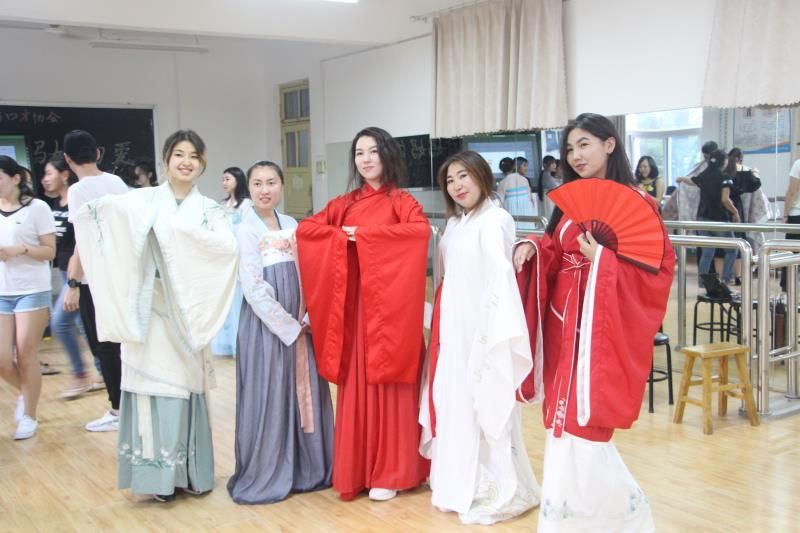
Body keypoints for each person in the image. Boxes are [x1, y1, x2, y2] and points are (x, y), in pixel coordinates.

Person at [513, 113, 674, 532]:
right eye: (570, 148)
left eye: (584, 144)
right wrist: (533, 247)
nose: (575, 155)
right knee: (561, 422)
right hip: (563, 321)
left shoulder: (638, 203)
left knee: (584, 424)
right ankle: (576, 519)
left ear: (609, 144)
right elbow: (553, 248)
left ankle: (621, 518)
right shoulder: (570, 205)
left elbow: (656, 272)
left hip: (599, 328)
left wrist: (601, 259)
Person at [72, 129, 238, 502]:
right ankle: (158, 480)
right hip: (147, 311)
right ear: (166, 159)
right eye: (179, 154)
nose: (186, 162)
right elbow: (100, 219)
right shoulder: (142, 201)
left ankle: (190, 472)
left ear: (202, 163)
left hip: (187, 314)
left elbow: (225, 249)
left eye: (193, 156)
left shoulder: (209, 210)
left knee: (184, 390)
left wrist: (172, 234)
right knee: (154, 391)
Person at [295, 126, 430, 501]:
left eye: (373, 151)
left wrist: (366, 237)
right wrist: (342, 237)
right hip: (356, 310)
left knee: (392, 384)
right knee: (359, 385)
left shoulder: (401, 201)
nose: (366, 159)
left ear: (387, 155)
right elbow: (308, 230)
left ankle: (393, 470)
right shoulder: (344, 204)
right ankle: (358, 470)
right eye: (359, 153)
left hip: (391, 313)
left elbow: (419, 233)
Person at [419, 150, 540, 524]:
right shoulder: (456, 225)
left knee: (483, 403)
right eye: (450, 180)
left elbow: (499, 277)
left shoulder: (496, 219)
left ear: (481, 176)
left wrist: (488, 334)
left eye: (463, 176)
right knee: (454, 402)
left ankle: (494, 485)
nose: (457, 186)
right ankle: (459, 484)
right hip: (454, 329)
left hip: (482, 329)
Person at [227, 160, 333, 504]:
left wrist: (309, 316)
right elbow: (252, 287)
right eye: (257, 183)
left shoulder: (292, 224)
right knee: (271, 392)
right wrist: (288, 325)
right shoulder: (245, 230)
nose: (265, 190)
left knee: (304, 391)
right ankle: (270, 469)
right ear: (249, 188)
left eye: (271, 182)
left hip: (302, 323)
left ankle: (307, 468)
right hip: (268, 328)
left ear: (282, 185)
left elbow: (311, 272)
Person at [63, 130, 129, 432]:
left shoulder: (78, 190)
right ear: (98, 153)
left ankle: (118, 410)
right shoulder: (116, 182)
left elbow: (82, 240)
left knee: (105, 346)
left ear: (68, 160)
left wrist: (73, 283)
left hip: (96, 279)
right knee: (123, 344)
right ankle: (129, 405)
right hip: (122, 273)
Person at [0, 155, 56, 440]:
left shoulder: (37, 208)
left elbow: (49, 251)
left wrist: (20, 249)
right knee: (2, 360)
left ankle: (29, 416)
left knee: (25, 353)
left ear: (15, 178)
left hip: (32, 289)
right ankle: (26, 391)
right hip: (2, 290)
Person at [41, 151, 95, 399]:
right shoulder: (55, 204)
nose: (45, 179)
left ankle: (81, 375)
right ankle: (101, 373)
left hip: (77, 274)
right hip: (63, 272)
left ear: (65, 174)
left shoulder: (75, 199)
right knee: (84, 326)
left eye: (49, 173)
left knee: (60, 324)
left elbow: (81, 242)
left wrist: (74, 280)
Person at [677, 149, 739, 285]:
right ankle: (725, 279)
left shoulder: (705, 175)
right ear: (724, 161)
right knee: (732, 250)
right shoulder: (725, 177)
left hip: (702, 218)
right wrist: (735, 212)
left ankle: (702, 281)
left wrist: (681, 178)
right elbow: (725, 199)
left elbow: (692, 181)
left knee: (707, 251)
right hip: (719, 219)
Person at [211, 167, 251, 356]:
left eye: (228, 179)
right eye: (223, 179)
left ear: (238, 180)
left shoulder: (247, 205)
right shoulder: (222, 205)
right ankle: (227, 342)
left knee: (239, 300)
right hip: (225, 257)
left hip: (240, 256)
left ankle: (242, 342)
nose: (224, 183)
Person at [725, 148, 761, 285]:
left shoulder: (723, 172)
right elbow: (755, 185)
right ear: (740, 159)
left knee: (723, 244)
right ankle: (738, 276)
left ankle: (724, 277)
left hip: (722, 209)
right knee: (739, 241)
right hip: (736, 208)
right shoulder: (745, 172)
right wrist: (756, 173)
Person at [497, 155, 537, 231]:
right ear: (513, 167)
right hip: (527, 213)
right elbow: (530, 199)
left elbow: (499, 203)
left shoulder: (503, 183)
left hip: (512, 214)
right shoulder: (524, 179)